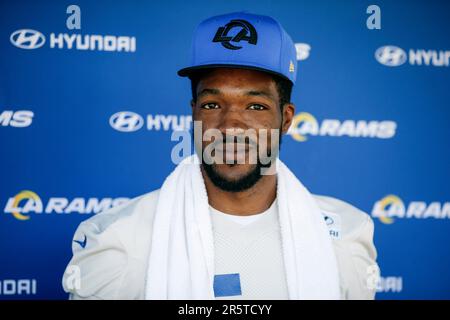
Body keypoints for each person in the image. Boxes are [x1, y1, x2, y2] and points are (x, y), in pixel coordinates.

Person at [62, 11, 379, 300]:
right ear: (194, 114)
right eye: (212, 104)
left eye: (256, 106)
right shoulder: (118, 241)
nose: (230, 125)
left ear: (286, 119)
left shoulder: (346, 236)